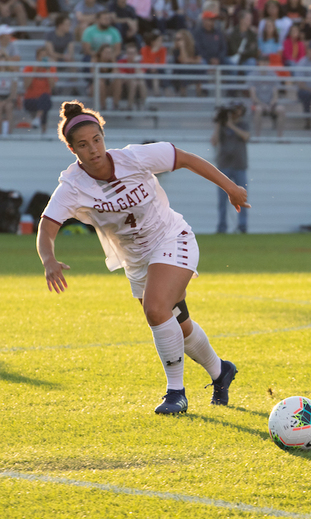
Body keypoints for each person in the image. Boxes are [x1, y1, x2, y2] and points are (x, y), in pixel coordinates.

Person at [37, 100, 248, 414]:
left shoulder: (134, 157)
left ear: (103, 137)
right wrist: (48, 259)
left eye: (96, 140)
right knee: (178, 323)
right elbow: (47, 225)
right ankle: (220, 371)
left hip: (173, 238)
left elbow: (186, 159)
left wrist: (231, 187)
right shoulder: (72, 186)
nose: (93, 149)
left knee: (155, 309)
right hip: (135, 260)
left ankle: (176, 393)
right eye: (83, 145)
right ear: (73, 151)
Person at [212, 101, 250, 233]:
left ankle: (242, 226)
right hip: (224, 165)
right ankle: (222, 227)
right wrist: (219, 124)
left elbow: (246, 136)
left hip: (239, 165)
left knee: (242, 198)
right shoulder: (222, 126)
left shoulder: (243, 124)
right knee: (222, 200)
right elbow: (214, 142)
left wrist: (231, 126)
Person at [248, 56, 285, 136]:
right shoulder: (253, 75)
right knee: (258, 109)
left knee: (281, 109)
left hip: (271, 104)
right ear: (258, 63)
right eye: (262, 62)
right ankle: (257, 136)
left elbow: (275, 94)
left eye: (265, 62)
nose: (264, 64)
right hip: (258, 104)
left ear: (268, 63)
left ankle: (280, 137)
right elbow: (253, 96)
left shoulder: (273, 75)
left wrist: (271, 104)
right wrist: (263, 105)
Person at [22, 47, 56, 133]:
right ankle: (43, 131)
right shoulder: (30, 68)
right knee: (44, 103)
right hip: (30, 99)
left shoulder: (50, 68)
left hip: (44, 98)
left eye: (45, 56)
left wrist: (48, 71)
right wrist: (34, 70)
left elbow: (52, 86)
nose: (43, 59)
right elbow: (26, 86)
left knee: (45, 99)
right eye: (42, 56)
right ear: (37, 57)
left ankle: (37, 119)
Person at [115, 41, 148, 110]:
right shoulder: (121, 62)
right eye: (129, 53)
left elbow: (141, 75)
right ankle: (130, 106)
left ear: (137, 54)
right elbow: (123, 76)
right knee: (134, 82)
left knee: (140, 83)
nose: (131, 55)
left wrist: (136, 64)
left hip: (137, 85)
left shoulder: (141, 62)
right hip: (124, 86)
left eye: (133, 53)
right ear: (126, 54)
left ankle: (144, 106)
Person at [0, 52, 18, 136]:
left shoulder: (12, 73)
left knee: (8, 107)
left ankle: (9, 133)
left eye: (3, 59)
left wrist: (7, 100)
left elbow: (14, 91)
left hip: (8, 97)